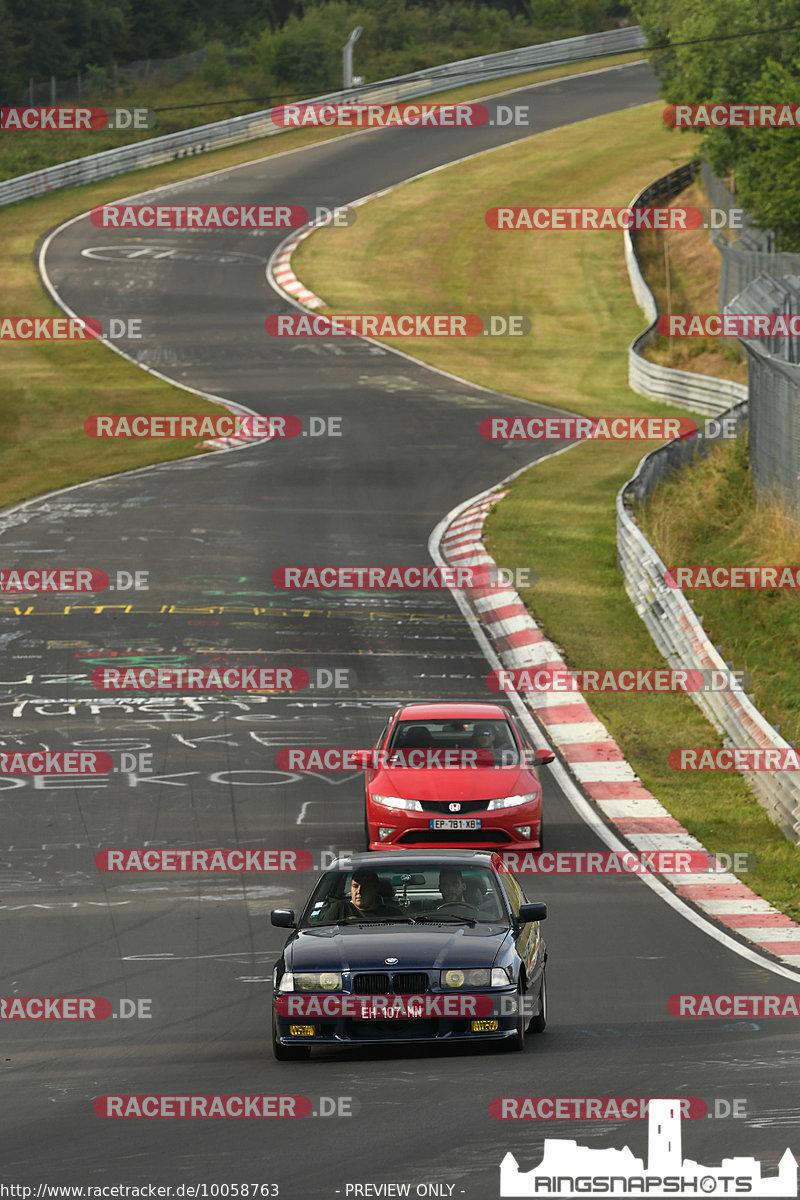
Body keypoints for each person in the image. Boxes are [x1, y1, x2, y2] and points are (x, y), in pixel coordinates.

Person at [324, 868, 402, 920]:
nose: (359, 891)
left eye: (365, 887)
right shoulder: (340, 909)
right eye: (355, 886)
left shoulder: (392, 914)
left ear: (375, 889)